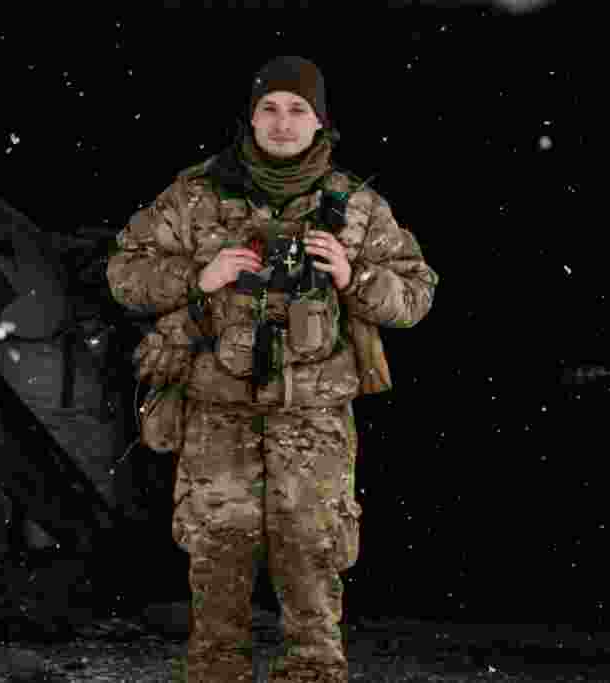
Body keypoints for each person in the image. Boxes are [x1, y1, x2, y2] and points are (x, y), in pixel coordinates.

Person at [106, 56, 438, 683]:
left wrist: (352, 275)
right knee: (218, 553)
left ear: (320, 122)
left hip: (313, 418)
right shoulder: (196, 196)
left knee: (312, 553)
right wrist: (196, 278)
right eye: (269, 108)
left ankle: (312, 674)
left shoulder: (356, 205)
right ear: (250, 116)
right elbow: (123, 274)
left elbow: (416, 295)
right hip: (216, 416)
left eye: (297, 110)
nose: (282, 124)